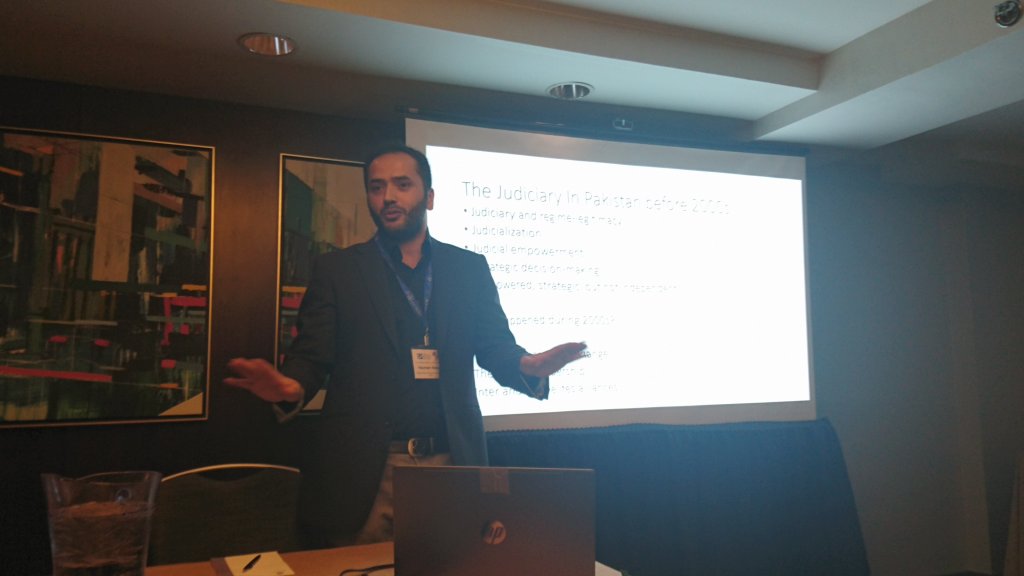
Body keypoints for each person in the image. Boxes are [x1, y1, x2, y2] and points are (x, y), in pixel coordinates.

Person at [225, 144, 586, 547]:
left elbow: (494, 345)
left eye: (402, 184)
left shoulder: (468, 269)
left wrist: (528, 365)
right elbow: (311, 355)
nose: (388, 197)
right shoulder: (338, 270)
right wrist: (289, 387)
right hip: (365, 470)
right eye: (376, 187)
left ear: (429, 197)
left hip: (452, 461)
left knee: (452, 566)